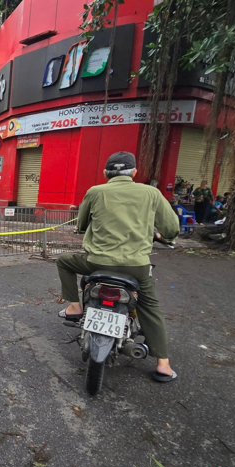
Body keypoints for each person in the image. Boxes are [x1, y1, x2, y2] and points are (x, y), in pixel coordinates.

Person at [56, 152, 181, 382]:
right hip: (136, 268)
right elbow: (173, 229)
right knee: (150, 308)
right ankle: (163, 364)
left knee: (64, 261)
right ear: (134, 173)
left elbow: (82, 225)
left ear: (106, 173)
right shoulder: (151, 193)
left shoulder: (95, 192)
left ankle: (75, 306)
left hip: (96, 263)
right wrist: (160, 234)